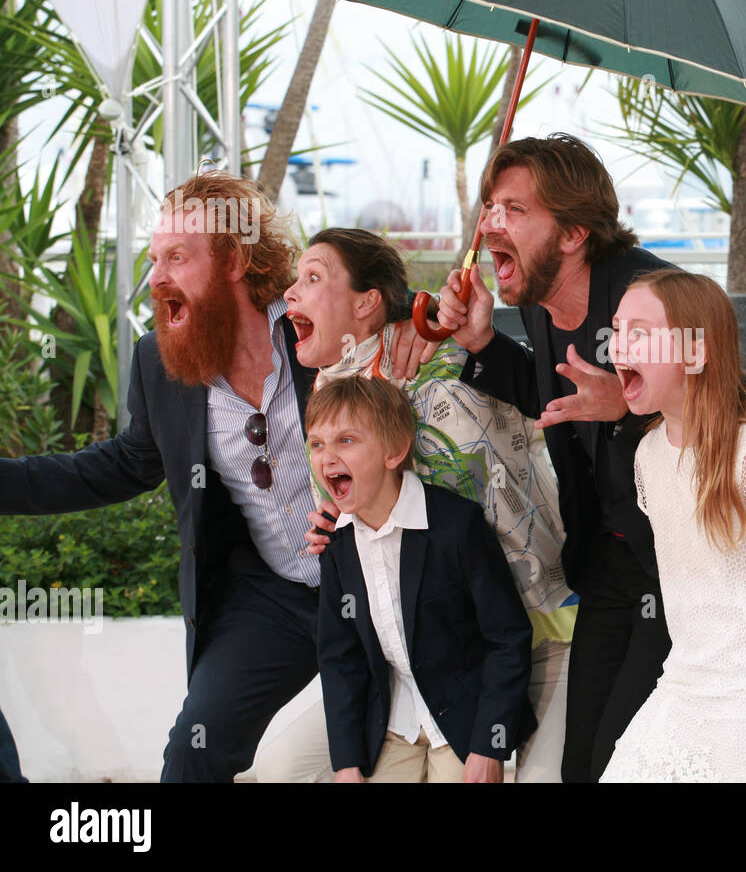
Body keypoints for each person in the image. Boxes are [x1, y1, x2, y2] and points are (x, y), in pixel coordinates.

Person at [0, 172, 433, 781]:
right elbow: (127, 463)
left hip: (381, 578)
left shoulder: (314, 321)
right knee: (194, 753)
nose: (157, 278)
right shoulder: (159, 359)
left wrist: (419, 321)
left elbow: (396, 302)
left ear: (235, 261)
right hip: (274, 598)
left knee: (392, 748)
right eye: (154, 259)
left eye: (178, 257)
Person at [255, 226, 572, 782]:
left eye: (313, 277)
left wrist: (427, 322)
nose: (290, 292)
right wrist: (336, 519)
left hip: (541, 631)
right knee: (280, 768)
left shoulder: (443, 359)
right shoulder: (327, 396)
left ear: (367, 302)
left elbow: (539, 399)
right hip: (423, 655)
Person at [435, 133, 675, 782]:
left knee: (621, 765)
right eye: (491, 207)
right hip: (607, 563)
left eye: (514, 209)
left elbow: (731, 403)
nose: (491, 224)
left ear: (573, 233)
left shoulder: (657, 293)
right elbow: (557, 399)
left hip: (676, 569)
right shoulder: (544, 305)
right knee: (580, 766)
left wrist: (632, 404)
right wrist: (482, 342)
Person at [599, 270, 746, 782]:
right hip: (684, 681)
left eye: (640, 332)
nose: (618, 345)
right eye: (617, 329)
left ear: (695, 352)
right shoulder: (648, 454)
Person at [309, 375, 535, 782]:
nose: (327, 457)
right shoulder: (337, 546)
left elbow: (507, 639)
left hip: (465, 720)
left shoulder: (456, 525)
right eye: (317, 444)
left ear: (395, 451)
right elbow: (340, 658)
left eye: (346, 440)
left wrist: (489, 746)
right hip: (394, 720)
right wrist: (347, 762)